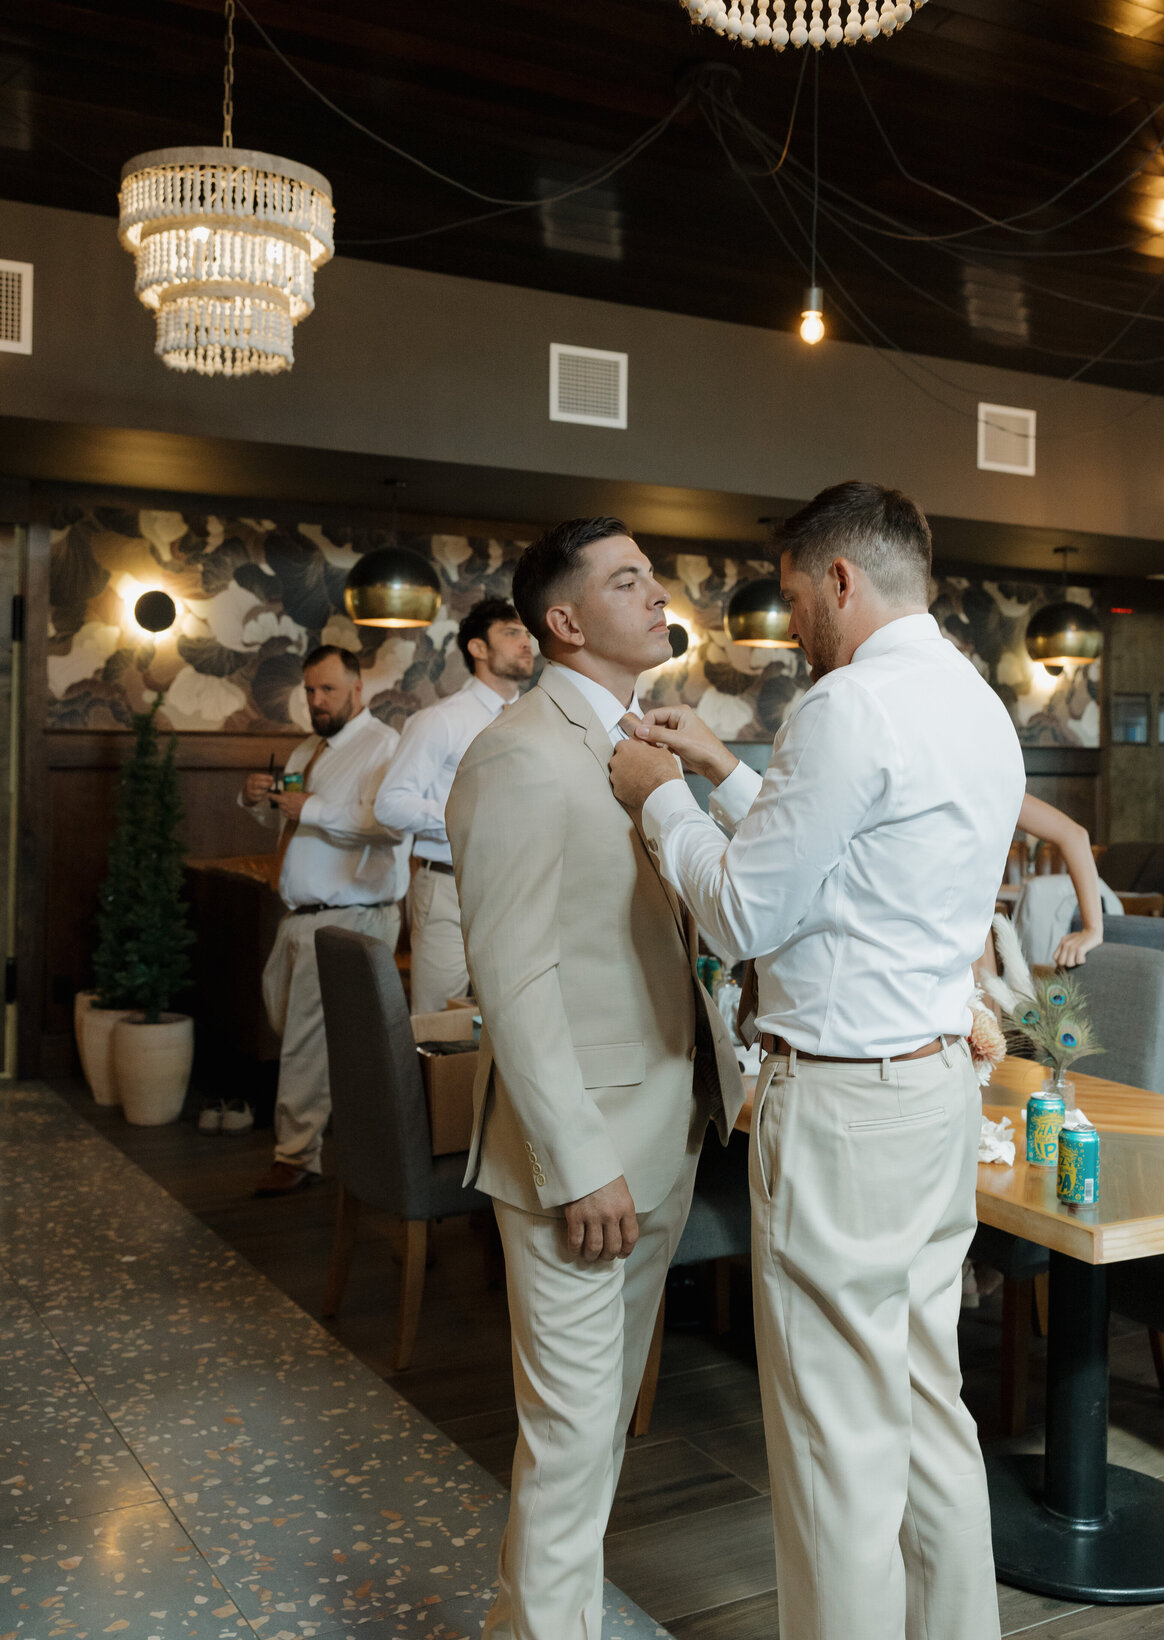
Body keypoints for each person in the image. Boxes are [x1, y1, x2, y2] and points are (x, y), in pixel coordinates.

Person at [609, 481, 1025, 1640]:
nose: (793, 628)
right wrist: (731, 773)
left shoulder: (844, 708)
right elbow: (853, 868)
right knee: (925, 1407)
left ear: (840, 579)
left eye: (795, 599)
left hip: (843, 1111)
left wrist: (664, 799)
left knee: (835, 1441)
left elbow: (748, 912)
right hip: (936, 1091)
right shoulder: (975, 705)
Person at [445, 518, 743, 1640]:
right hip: (587, 1159)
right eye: (628, 580)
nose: (657, 590)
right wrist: (577, 1166)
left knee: (601, 1427)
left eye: (652, 572)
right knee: (570, 1435)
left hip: (666, 1127)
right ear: (563, 621)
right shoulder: (518, 752)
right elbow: (515, 980)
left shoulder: (641, 738)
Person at [240, 645, 405, 1197]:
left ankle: (296, 1155)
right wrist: (258, 803)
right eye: (310, 691)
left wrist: (308, 807)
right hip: (299, 914)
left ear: (357, 689)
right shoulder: (308, 748)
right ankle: (338, 1132)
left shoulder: (383, 746)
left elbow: (387, 823)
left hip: (350, 915)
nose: (316, 700)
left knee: (307, 1041)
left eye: (327, 690)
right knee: (290, 1023)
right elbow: (291, 830)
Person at [375, 598, 533, 1013]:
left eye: (527, 634)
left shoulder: (534, 720)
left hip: (520, 885)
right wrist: (470, 822)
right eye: (512, 633)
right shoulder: (440, 720)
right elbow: (391, 804)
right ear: (478, 649)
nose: (527, 643)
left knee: (512, 1015)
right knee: (437, 1018)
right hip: (449, 887)